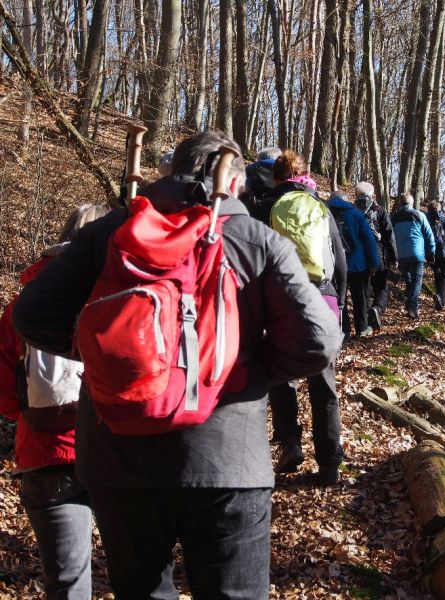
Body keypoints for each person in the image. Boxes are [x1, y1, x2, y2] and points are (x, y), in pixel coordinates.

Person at [13, 131, 343, 598]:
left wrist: (112, 357)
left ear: (170, 174)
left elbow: (32, 316)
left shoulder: (109, 232)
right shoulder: (257, 240)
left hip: (117, 454)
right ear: (232, 182)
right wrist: (241, 370)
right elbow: (318, 341)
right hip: (228, 457)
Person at [0, 205, 107, 600]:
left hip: (46, 453)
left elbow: (2, 382)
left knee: (67, 582)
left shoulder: (26, 303)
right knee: (143, 577)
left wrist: (31, 416)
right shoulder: (121, 294)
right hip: (118, 452)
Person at [267, 150, 348, 486]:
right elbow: (340, 261)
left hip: (287, 300)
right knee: (324, 386)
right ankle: (329, 465)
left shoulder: (271, 207)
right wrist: (339, 305)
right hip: (324, 298)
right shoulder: (321, 207)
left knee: (280, 376)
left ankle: (290, 444)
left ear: (277, 179)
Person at [327, 190, 380, 337]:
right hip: (357, 264)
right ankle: (361, 329)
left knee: (339, 297)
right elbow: (369, 241)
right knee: (360, 297)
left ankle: (343, 330)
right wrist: (373, 263)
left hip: (334, 264)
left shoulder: (324, 214)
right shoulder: (356, 215)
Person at [356, 182, 397, 330]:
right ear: (372, 195)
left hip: (358, 258)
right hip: (377, 254)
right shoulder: (380, 211)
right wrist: (393, 258)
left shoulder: (352, 211)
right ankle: (377, 309)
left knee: (364, 289)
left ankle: (366, 322)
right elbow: (389, 235)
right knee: (382, 288)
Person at [390, 193, 436, 319]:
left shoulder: (393, 218)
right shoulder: (419, 215)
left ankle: (409, 305)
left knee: (409, 280)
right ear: (411, 203)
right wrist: (431, 251)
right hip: (417, 254)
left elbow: (389, 237)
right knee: (416, 280)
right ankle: (412, 307)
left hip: (401, 255)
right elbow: (429, 234)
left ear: (400, 204)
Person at [424, 200, 445, 310]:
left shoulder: (425, 219)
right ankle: (440, 297)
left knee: (437, 274)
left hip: (432, 252)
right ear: (439, 208)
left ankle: (442, 300)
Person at [241, 146, 283, 223]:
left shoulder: (247, 172)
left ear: (259, 159)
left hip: (250, 220)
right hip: (279, 220)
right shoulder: (286, 174)